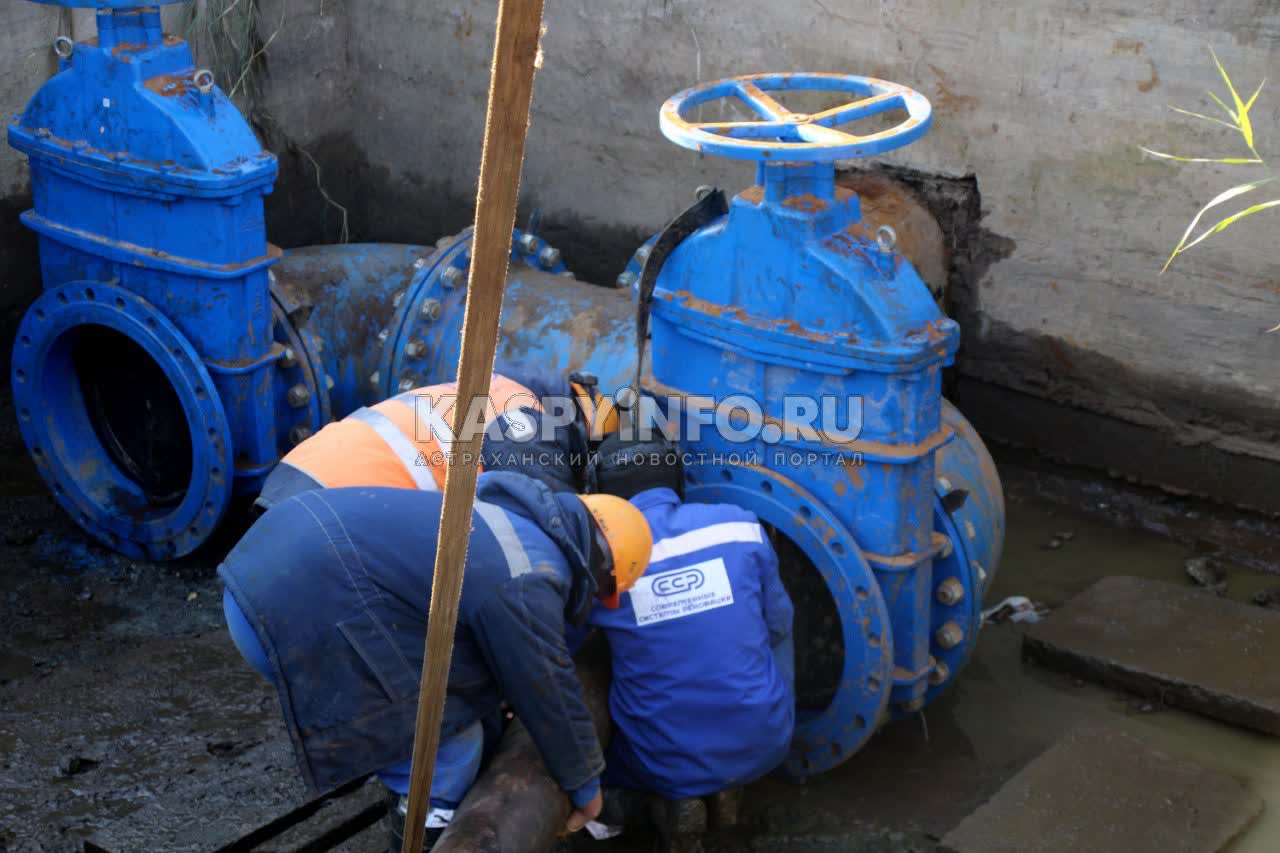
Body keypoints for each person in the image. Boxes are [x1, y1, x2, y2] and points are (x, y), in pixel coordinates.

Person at [219, 471, 652, 849]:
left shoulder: (512, 524)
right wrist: (586, 787)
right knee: (446, 752)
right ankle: (421, 832)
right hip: (291, 608)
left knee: (457, 709)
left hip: (264, 568)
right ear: (602, 572)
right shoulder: (530, 571)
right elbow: (547, 688)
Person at [587, 435, 795, 804]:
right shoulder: (739, 526)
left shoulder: (602, 564)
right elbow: (778, 622)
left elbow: (565, 648)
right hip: (770, 745)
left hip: (661, 765)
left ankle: (637, 808)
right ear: (678, 478)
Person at [255, 366, 619, 509]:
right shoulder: (524, 423)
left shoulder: (495, 387)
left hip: (295, 482)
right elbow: (554, 526)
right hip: (332, 506)